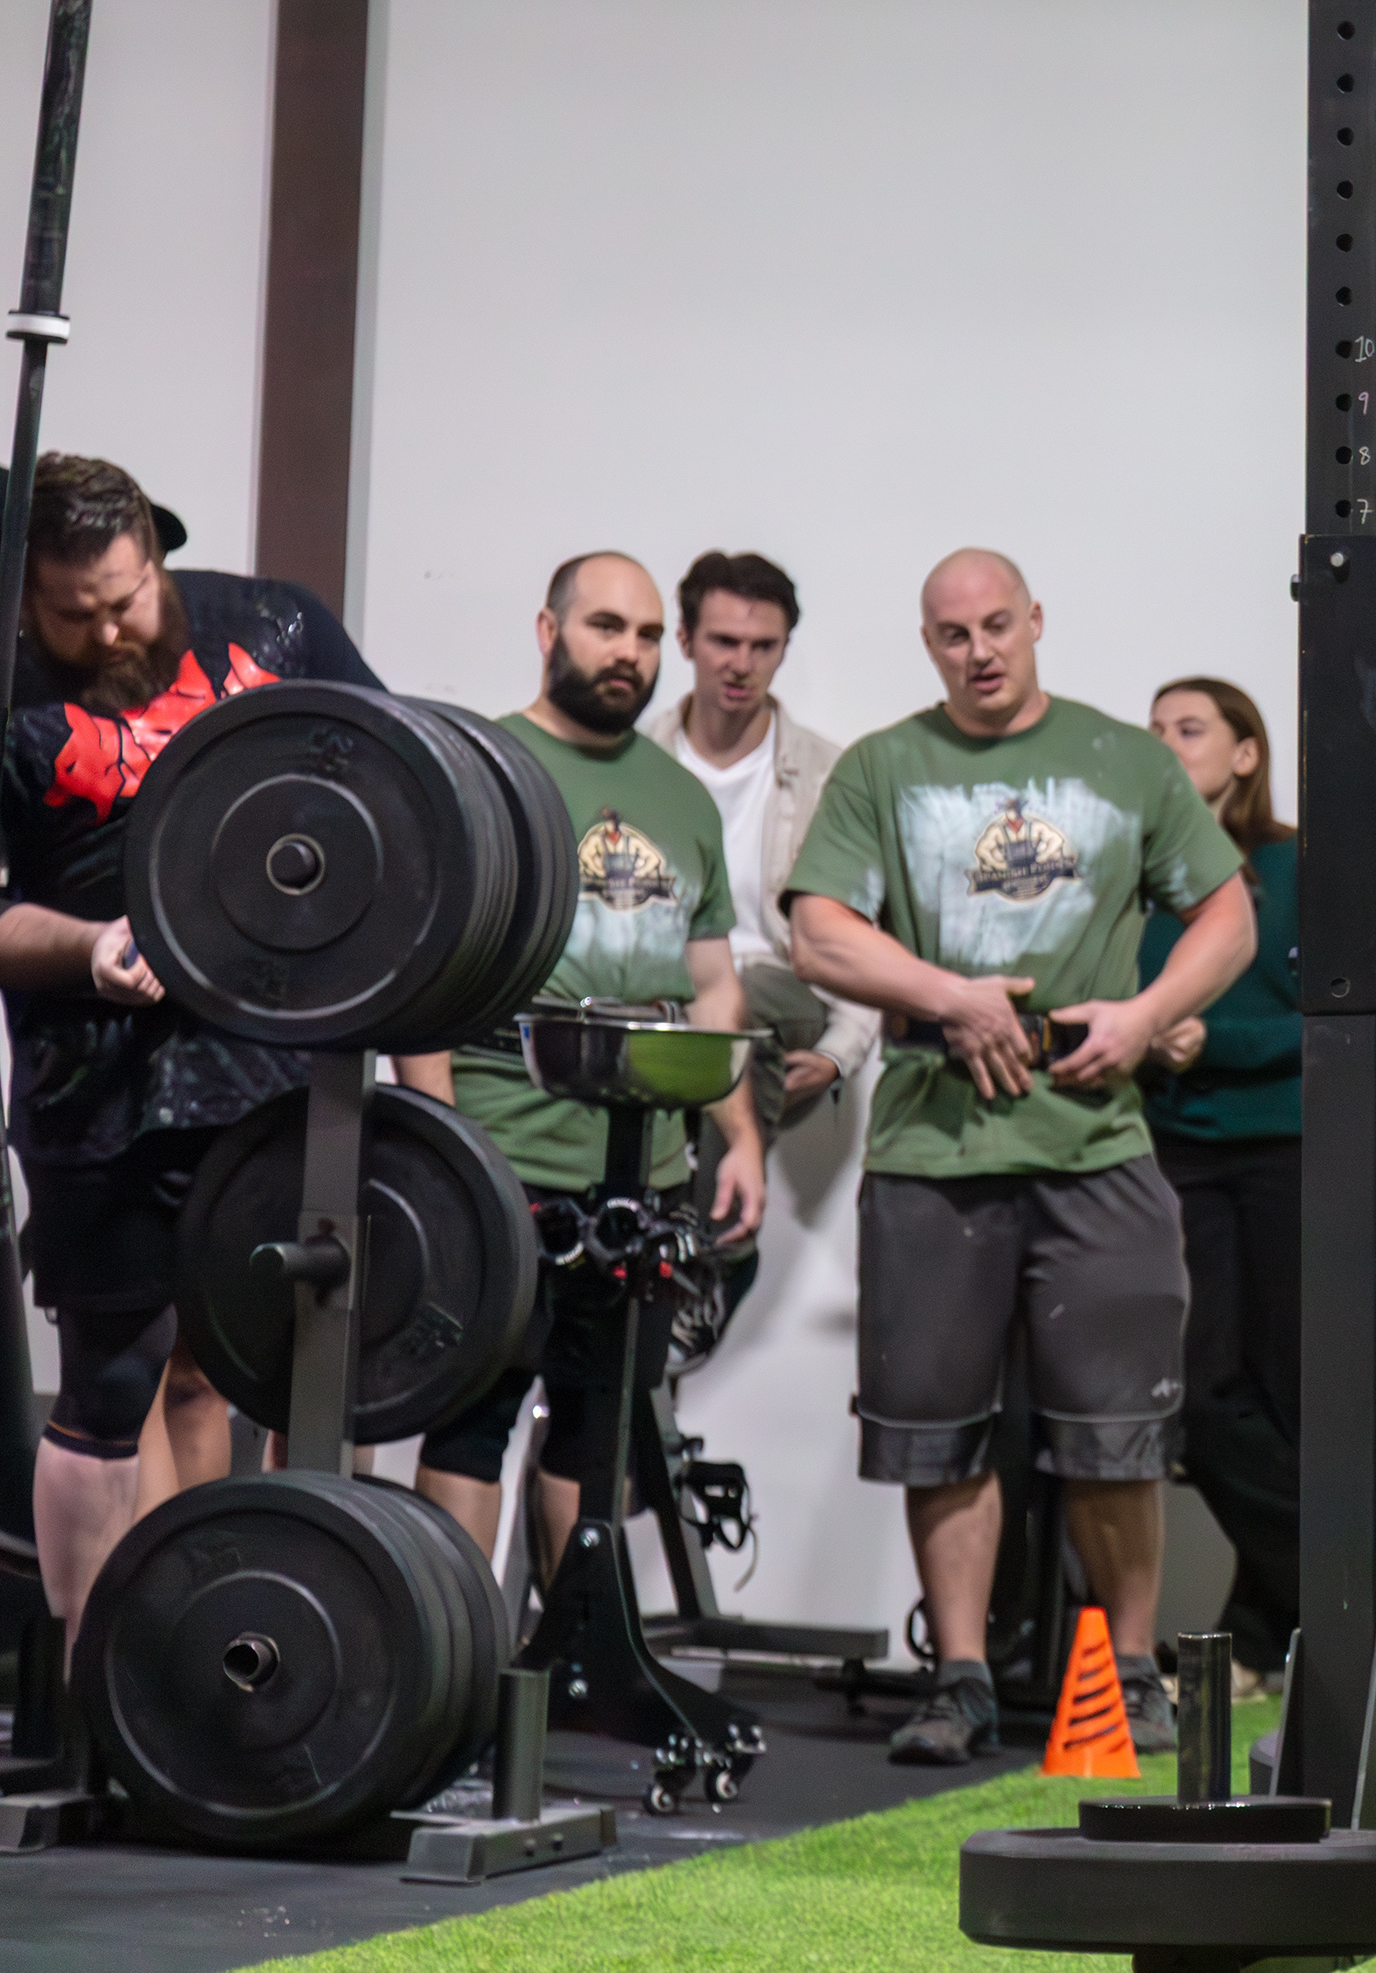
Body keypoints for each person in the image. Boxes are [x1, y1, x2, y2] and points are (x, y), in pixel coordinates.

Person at [786, 550, 1254, 1764]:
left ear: (1035, 620)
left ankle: (1131, 1676)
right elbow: (820, 931)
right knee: (934, 1431)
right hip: (931, 1143)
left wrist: (1145, 1017)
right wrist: (950, 995)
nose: (979, 650)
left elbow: (1228, 914)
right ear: (928, 644)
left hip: (1096, 1138)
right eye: (953, 634)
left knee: (1116, 1430)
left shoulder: (1126, 759)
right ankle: (959, 1678)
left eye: (997, 624)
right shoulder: (884, 766)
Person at [0, 455, 400, 1634]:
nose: (106, 630)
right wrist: (87, 947)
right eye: (72, 611)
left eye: (124, 597)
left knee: (252, 1364)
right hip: (98, 1087)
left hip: (267, 1065)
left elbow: (403, 788)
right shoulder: (8, 688)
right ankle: (92, 1667)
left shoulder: (275, 626)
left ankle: (232, 1637)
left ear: (157, 552)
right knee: (117, 1375)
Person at [415, 552, 766, 1559]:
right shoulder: (481, 768)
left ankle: (571, 1642)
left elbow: (712, 983)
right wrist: (441, 1146)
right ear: (548, 631)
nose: (630, 653)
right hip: (503, 1157)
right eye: (606, 627)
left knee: (597, 1428)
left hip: (640, 1169)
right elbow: (427, 978)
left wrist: (740, 1137)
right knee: (473, 1422)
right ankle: (459, 1645)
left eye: (648, 635)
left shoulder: (680, 797)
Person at [1138, 675, 1302, 1696]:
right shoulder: (1136, 873)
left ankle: (1254, 1639)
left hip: (1287, 1149)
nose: (1165, 743)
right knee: (1199, 1399)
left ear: (1246, 752)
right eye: (1153, 729)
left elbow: (1335, 1015)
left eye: (1189, 728)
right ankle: (1349, 1566)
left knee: (1288, 1397)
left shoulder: (1295, 865)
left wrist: (1215, 1041)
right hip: (1172, 1148)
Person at [647, 549, 877, 1142]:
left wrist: (839, 1052)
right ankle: (706, 1188)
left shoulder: (828, 776)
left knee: (731, 1005)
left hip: (779, 989)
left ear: (783, 649)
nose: (742, 665)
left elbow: (864, 931)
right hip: (659, 995)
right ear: (685, 640)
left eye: (763, 646)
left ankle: (717, 1188)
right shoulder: (640, 763)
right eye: (724, 642)